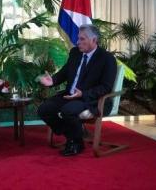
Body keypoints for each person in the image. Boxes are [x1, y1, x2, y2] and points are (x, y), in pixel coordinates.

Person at [38, 24, 117, 156]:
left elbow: (106, 87)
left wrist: (83, 93)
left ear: (94, 40)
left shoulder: (107, 59)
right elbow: (64, 72)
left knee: (67, 110)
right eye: (78, 38)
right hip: (69, 95)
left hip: (90, 99)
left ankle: (76, 142)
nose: (78, 42)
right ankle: (73, 137)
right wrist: (52, 80)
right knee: (44, 109)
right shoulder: (75, 53)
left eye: (82, 39)